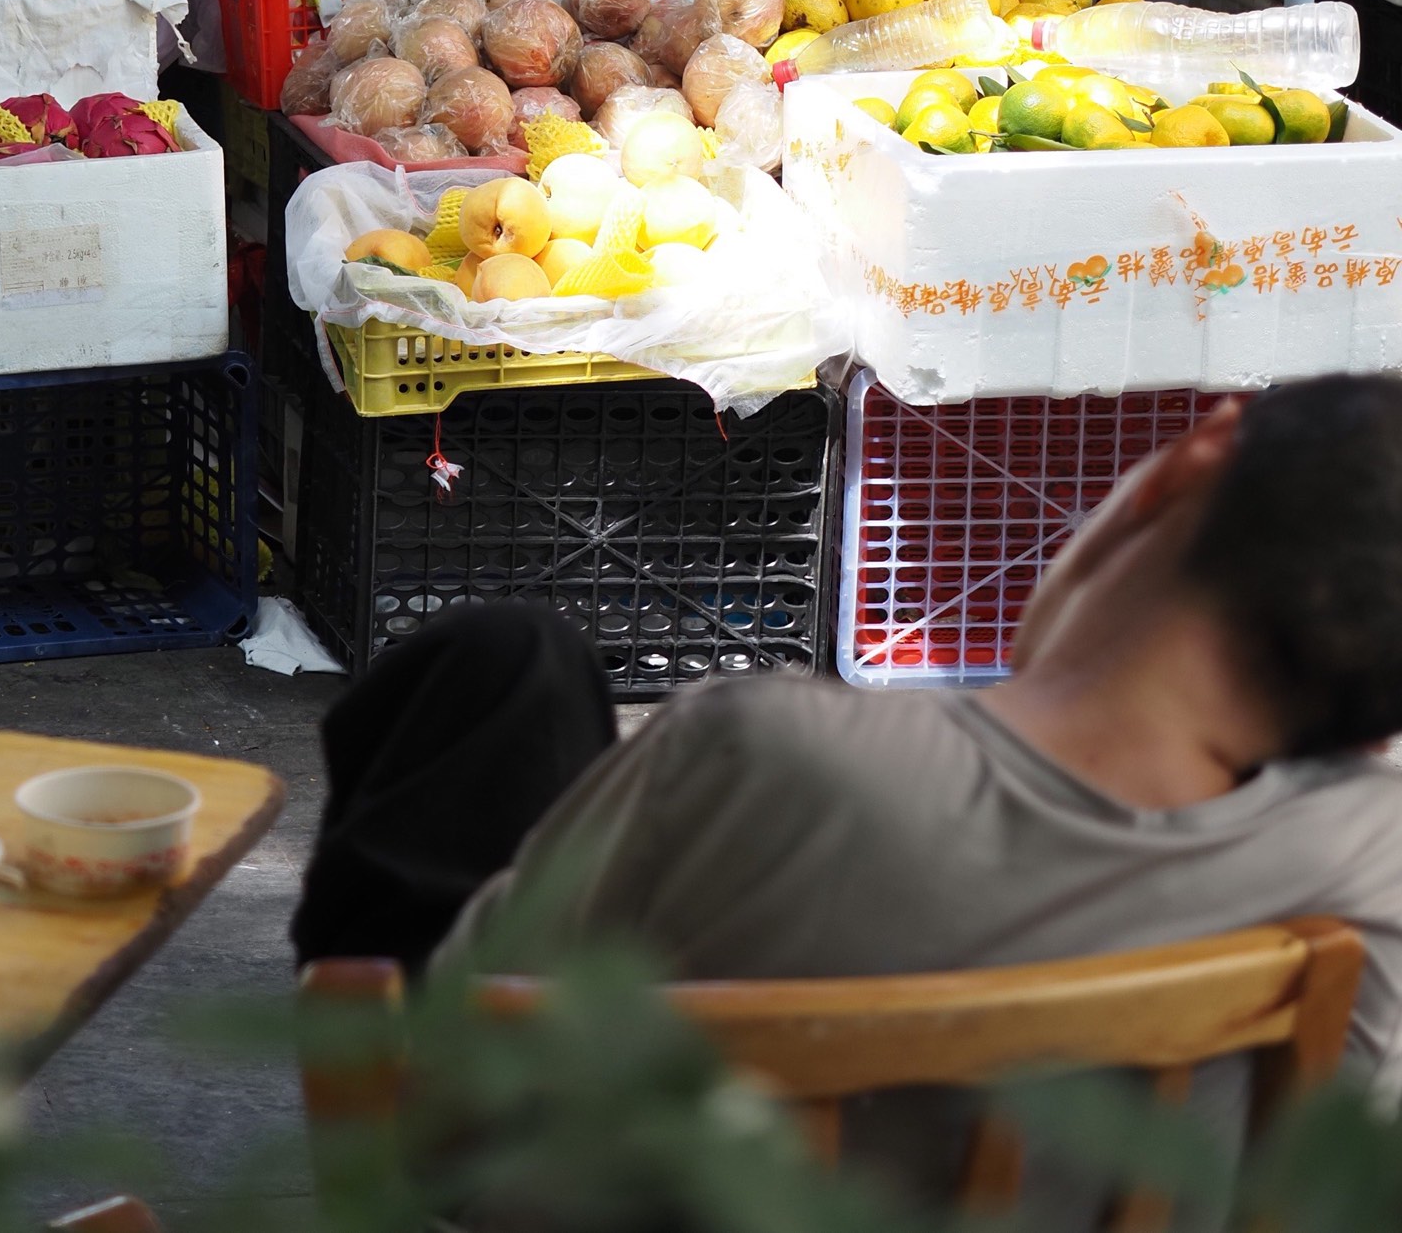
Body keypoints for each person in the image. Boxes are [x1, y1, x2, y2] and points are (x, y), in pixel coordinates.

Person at [292, 375, 1402, 1086]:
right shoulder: (1367, 886)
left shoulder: (762, 755)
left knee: (498, 669)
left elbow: (469, 1073)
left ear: (1196, 455)